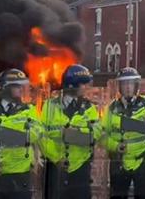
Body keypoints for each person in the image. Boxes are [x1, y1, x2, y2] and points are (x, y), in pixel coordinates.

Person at [0, 69, 44, 199]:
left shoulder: (29, 110)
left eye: (22, 86)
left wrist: (4, 133)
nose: (21, 89)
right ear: (5, 88)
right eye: (17, 86)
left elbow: (35, 133)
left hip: (22, 174)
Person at [42, 64, 101, 199]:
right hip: (56, 169)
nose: (86, 88)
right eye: (83, 84)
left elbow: (96, 134)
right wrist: (57, 159)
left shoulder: (89, 108)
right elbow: (42, 137)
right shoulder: (50, 106)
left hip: (81, 169)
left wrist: (73, 134)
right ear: (71, 85)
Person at [101, 67, 145, 199]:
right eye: (124, 84)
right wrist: (115, 146)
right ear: (119, 87)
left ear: (136, 85)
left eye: (130, 84)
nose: (128, 87)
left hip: (143, 161)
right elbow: (102, 136)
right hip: (120, 161)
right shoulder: (111, 108)